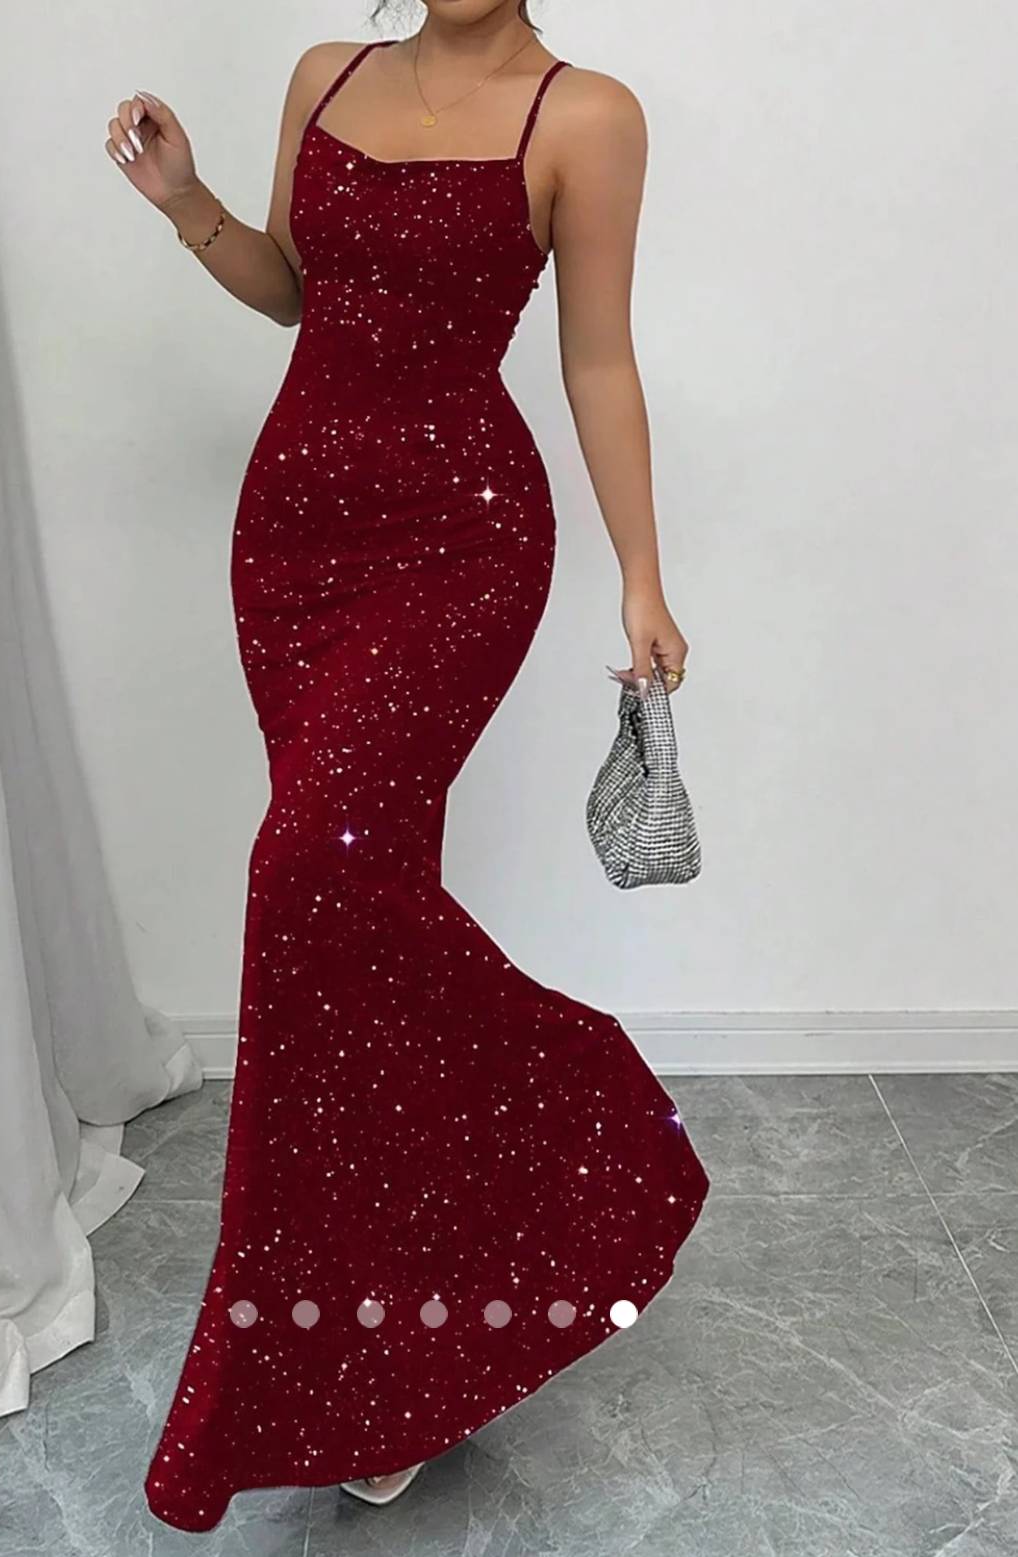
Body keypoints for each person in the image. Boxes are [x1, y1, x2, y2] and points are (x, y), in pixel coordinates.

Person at [105, 0, 710, 1531]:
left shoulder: (585, 116)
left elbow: (595, 361)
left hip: (461, 540)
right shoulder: (328, 76)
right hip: (293, 536)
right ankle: (393, 1361)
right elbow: (296, 291)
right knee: (346, 937)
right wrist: (187, 204)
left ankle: (586, 1128)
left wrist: (641, 575)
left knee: (306, 875)